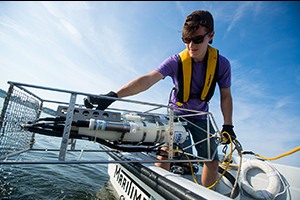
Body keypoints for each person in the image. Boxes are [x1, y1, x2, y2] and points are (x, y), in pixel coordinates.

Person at [84, 10, 236, 188]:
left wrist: (228, 125)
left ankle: (207, 193)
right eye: (186, 40)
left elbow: (226, 96)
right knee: (167, 153)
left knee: (211, 161)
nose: (191, 46)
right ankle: (155, 188)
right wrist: (112, 96)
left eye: (197, 40)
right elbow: (147, 80)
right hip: (177, 115)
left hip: (202, 117)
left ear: (211, 36)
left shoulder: (222, 64)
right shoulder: (176, 61)